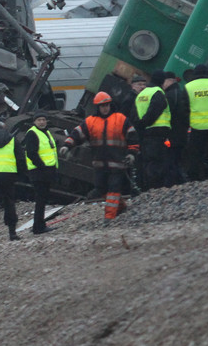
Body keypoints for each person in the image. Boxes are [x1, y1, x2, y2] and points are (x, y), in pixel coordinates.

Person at [61, 91, 139, 220]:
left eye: (107, 105)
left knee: (114, 189)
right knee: (101, 188)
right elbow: (77, 134)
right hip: (100, 163)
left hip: (117, 162)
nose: (105, 108)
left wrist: (131, 154)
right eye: (103, 106)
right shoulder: (91, 122)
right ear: (97, 107)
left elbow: (132, 138)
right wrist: (67, 145)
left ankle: (109, 216)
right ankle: (120, 206)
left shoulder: (120, 119)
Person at [132, 70, 174, 190]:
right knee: (157, 160)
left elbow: (134, 114)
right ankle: (156, 187)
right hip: (157, 132)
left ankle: (147, 186)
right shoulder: (158, 92)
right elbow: (155, 110)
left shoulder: (141, 94)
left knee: (148, 159)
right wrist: (145, 122)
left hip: (145, 133)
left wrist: (140, 125)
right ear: (161, 81)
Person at [22, 112, 58, 235]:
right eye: (39, 120)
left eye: (43, 120)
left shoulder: (46, 132)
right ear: (34, 122)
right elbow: (32, 153)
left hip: (45, 172)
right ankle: (38, 227)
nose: (42, 122)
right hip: (38, 172)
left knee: (42, 199)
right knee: (40, 199)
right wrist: (42, 167)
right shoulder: (32, 133)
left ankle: (40, 225)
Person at [163, 71, 189, 184]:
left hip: (172, 135)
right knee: (179, 159)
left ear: (169, 81)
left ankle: (176, 182)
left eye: (163, 82)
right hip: (183, 133)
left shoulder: (169, 96)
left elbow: (167, 116)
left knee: (171, 161)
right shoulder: (182, 93)